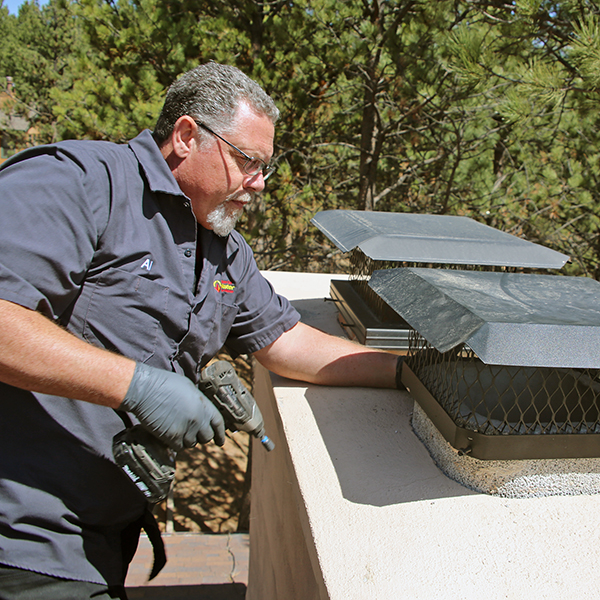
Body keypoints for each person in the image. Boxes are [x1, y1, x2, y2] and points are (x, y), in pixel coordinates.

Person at [0, 62, 399, 599]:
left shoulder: (225, 249)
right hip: (24, 535)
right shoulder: (82, 181)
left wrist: (411, 373)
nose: (258, 184)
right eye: (247, 162)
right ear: (187, 137)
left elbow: (286, 340)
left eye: (265, 167)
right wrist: (137, 386)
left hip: (105, 537)